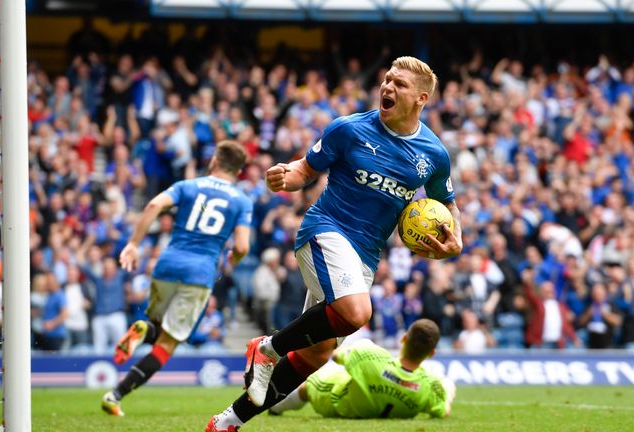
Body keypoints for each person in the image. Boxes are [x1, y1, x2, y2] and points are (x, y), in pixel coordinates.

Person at [207, 56, 462, 431]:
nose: (388, 87)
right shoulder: (349, 129)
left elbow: (448, 204)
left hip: (366, 255)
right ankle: (266, 348)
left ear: (421, 99)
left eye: (400, 84)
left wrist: (455, 239)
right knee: (358, 314)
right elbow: (304, 170)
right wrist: (285, 177)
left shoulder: (433, 155)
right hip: (325, 230)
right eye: (387, 79)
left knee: (316, 355)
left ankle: (227, 422)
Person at [101, 140, 252, 416]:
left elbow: (153, 205)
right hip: (200, 272)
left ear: (214, 162)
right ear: (239, 171)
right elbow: (242, 247)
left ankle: (144, 329)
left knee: (157, 326)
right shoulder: (242, 201)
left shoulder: (188, 185)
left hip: (167, 264)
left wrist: (134, 244)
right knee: (168, 344)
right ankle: (115, 395)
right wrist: (233, 259)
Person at [269, 319, 456, 420]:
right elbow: (443, 409)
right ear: (431, 353)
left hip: (343, 406)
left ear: (404, 339)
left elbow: (336, 355)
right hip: (396, 407)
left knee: (312, 381)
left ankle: (275, 407)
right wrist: (448, 386)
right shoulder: (429, 385)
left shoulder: (371, 355)